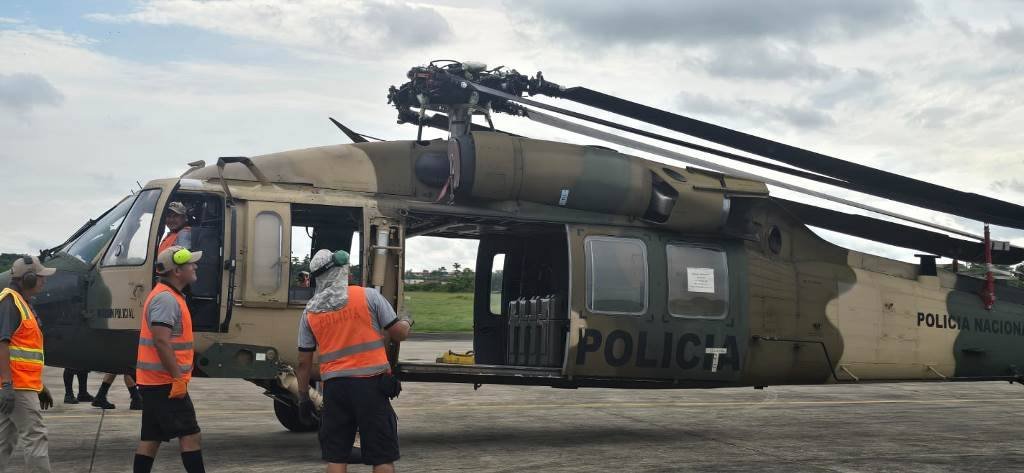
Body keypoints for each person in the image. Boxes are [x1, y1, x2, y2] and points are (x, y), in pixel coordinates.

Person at [295, 249, 412, 473]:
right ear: (342, 272)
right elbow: (398, 334)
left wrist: (303, 398)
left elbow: (303, 363)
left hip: (336, 390)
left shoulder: (310, 312)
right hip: (372, 387)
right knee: (382, 457)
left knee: (337, 457)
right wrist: (406, 321)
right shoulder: (368, 296)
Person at [132, 246, 205, 473]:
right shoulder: (166, 299)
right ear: (177, 271)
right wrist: (177, 378)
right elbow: (161, 341)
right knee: (191, 435)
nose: (195, 266)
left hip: (155, 381)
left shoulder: (169, 295)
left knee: (151, 438)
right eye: (190, 263)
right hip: (165, 382)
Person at [0, 255, 56, 472]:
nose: (44, 281)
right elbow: (2, 344)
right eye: (41, 277)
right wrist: (6, 384)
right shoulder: (10, 302)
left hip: (19, 385)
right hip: (16, 386)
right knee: (36, 436)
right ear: (29, 278)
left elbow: (24, 353)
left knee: (4, 440)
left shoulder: (20, 302)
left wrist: (40, 387)